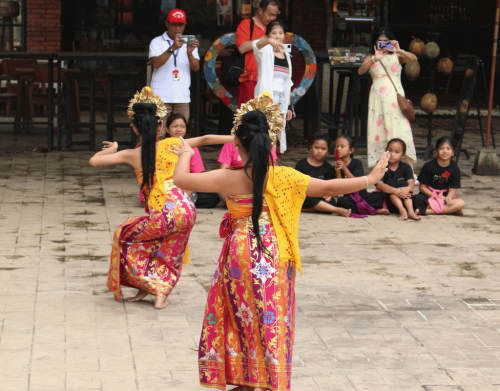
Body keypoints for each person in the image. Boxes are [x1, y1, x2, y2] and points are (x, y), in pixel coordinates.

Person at [170, 93, 390, 390]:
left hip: (240, 251)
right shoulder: (285, 175)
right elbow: (327, 186)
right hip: (274, 252)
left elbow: (181, 179)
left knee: (239, 316)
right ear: (269, 142)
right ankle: (267, 379)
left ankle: (245, 377)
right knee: (271, 318)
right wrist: (370, 179)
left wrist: (185, 151)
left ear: (237, 144)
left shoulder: (229, 177)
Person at [88, 87, 233, 309]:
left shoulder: (131, 154)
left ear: (134, 127)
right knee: (169, 250)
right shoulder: (171, 143)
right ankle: (157, 293)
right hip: (186, 208)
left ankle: (148, 284)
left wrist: (113, 148)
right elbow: (205, 139)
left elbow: (94, 161)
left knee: (124, 236)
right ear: (159, 126)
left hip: (163, 212)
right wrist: (240, 137)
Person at [358, 26, 418, 170]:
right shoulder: (370, 57)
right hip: (377, 99)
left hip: (395, 99)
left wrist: (399, 50)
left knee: (402, 129)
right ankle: (381, 170)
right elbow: (360, 71)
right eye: (380, 41)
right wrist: (374, 58)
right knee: (379, 131)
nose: (383, 44)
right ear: (375, 42)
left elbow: (414, 59)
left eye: (386, 41)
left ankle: (409, 170)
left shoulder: (397, 56)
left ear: (391, 41)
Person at [149, 8, 200, 124]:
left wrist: (189, 53)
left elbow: (196, 68)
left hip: (182, 97)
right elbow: (155, 64)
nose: (177, 28)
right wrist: (172, 48)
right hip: (160, 97)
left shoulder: (189, 43)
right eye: (174, 24)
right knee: (159, 135)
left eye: (180, 25)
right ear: (167, 24)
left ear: (184, 26)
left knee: (179, 136)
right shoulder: (156, 42)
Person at [253, 19, 294, 153]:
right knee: (265, 131)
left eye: (281, 33)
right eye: (274, 33)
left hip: (282, 99)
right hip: (267, 99)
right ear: (268, 35)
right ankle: (263, 162)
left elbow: (288, 82)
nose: (277, 36)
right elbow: (255, 45)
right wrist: (267, 41)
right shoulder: (265, 51)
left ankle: (273, 163)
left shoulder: (286, 54)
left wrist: (289, 105)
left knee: (275, 132)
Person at [164, 113, 220, 208]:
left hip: (186, 185)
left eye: (182, 127)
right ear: (167, 129)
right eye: (175, 126)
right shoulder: (161, 146)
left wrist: (188, 188)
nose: (179, 130)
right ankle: (182, 200)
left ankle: (181, 200)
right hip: (166, 186)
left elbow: (197, 175)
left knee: (214, 197)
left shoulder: (192, 146)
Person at [235, 0, 280, 107]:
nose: (272, 18)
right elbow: (242, 48)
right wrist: (265, 40)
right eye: (270, 14)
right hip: (252, 78)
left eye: (275, 15)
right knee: (250, 117)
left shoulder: (275, 28)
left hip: (272, 78)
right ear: (260, 11)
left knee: (269, 118)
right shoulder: (246, 24)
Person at [295, 134, 350, 217]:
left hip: (319, 196)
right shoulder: (301, 164)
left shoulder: (328, 168)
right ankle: (335, 209)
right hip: (304, 195)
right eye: (316, 148)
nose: (319, 151)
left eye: (323, 149)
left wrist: (329, 195)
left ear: (327, 151)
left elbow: (329, 186)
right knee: (306, 198)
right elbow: (296, 185)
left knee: (331, 201)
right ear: (311, 147)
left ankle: (304, 209)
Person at [335, 135, 387, 216]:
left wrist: (345, 168)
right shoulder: (335, 166)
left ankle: (361, 209)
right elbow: (338, 186)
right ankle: (373, 210)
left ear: (350, 150)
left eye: (342, 146)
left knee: (379, 196)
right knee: (341, 201)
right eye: (337, 146)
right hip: (350, 197)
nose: (338, 149)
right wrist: (338, 171)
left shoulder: (357, 163)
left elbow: (356, 182)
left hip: (362, 194)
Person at [414, 136, 465, 216]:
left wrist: (448, 198)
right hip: (429, 195)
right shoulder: (428, 166)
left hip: (444, 197)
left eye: (448, 149)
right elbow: (422, 187)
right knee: (416, 200)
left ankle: (425, 211)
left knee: (461, 203)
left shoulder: (455, 168)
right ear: (436, 152)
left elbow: (452, 189)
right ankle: (450, 210)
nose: (445, 151)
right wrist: (435, 196)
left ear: (453, 152)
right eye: (441, 148)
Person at [375, 138, 420, 221]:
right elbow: (379, 184)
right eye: (390, 150)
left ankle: (410, 211)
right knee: (390, 183)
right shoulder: (382, 166)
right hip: (389, 202)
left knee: (403, 184)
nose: (392, 154)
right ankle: (402, 210)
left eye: (397, 152)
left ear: (403, 155)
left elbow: (411, 183)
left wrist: (406, 189)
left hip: (405, 199)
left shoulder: (406, 167)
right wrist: (396, 191)